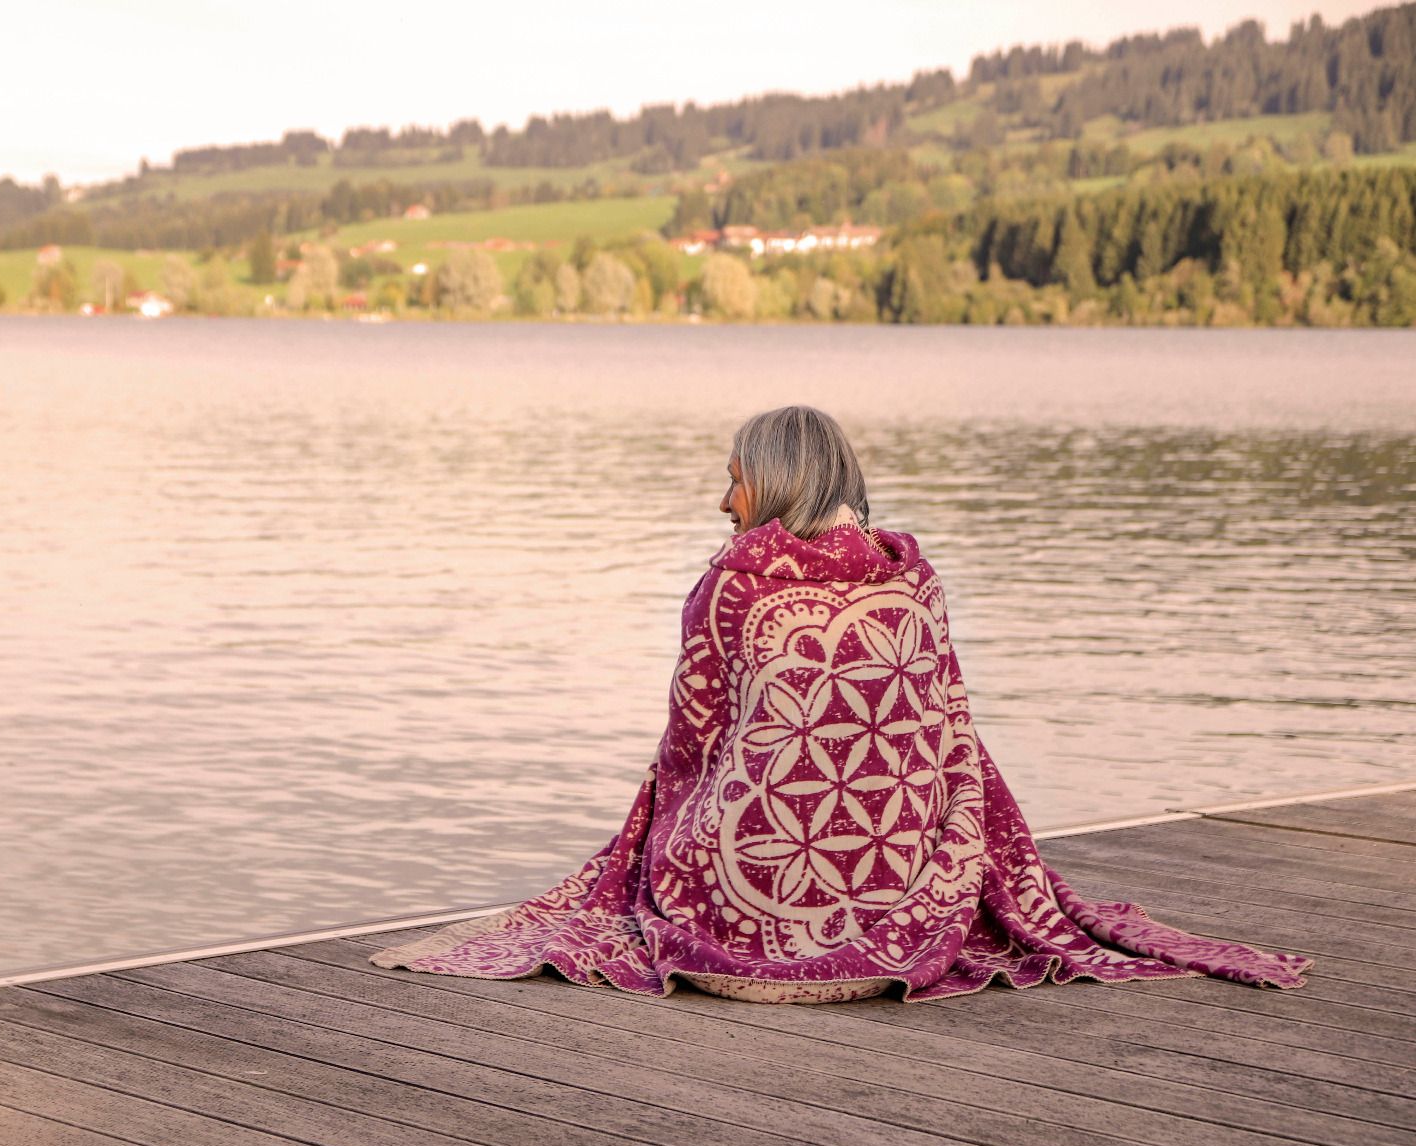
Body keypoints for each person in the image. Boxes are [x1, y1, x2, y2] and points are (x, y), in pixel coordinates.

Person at [371, 406, 1311, 1003]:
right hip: (904, 875)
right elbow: (948, 742)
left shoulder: (731, 587)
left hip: (749, 886)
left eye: (734, 476)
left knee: (680, 808)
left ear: (776, 480)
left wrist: (644, 856)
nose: (720, 499)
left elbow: (689, 754)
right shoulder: (914, 583)